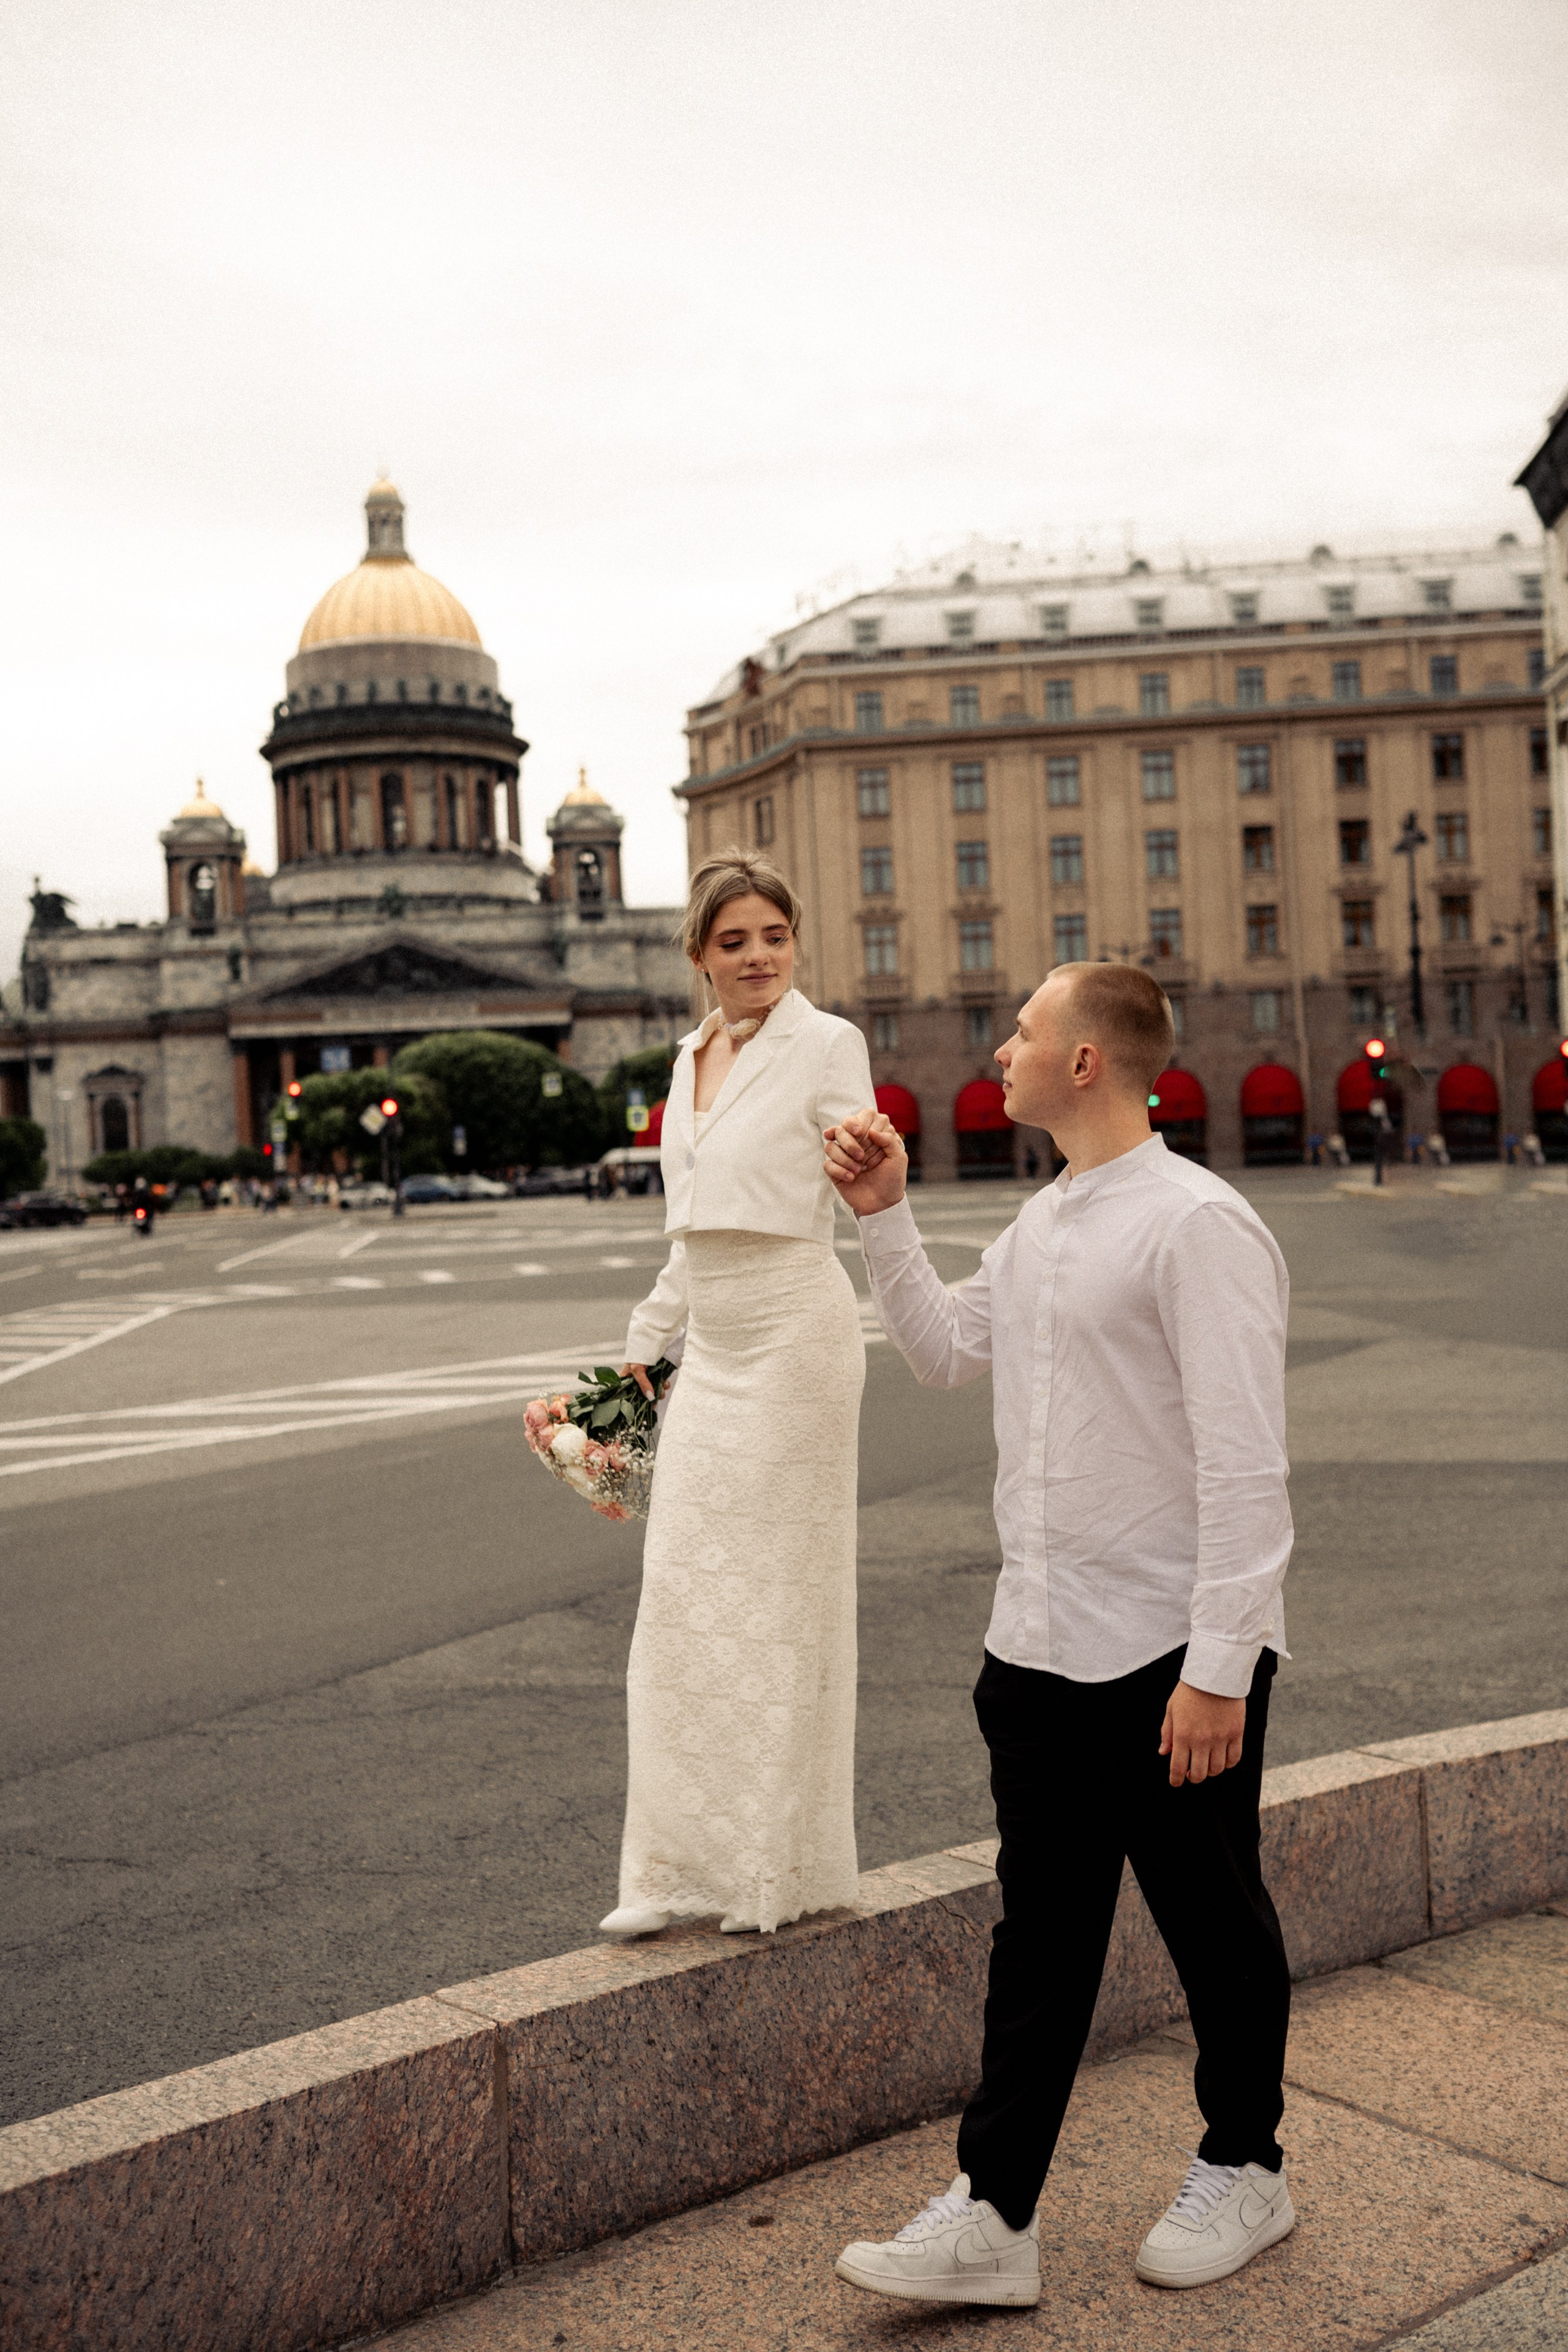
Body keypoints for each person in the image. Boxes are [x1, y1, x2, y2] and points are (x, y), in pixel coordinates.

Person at [823, 961, 1294, 2309]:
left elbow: (1244, 1463)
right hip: (1034, 1642)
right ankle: (994, 2212)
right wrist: (883, 1217)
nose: (1002, 1049)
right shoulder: (1042, 1222)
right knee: (1038, 1940)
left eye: (1023, 1032)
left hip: (1166, 1651)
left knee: (1211, 1922)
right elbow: (942, 1352)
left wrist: (1218, 1666)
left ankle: (1246, 2163)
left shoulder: (1196, 1225)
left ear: (1085, 1061)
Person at [601, 849, 874, 1940]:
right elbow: (689, 1231)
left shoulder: (829, 1042)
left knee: (774, 1610)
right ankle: (666, 1871)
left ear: (794, 940)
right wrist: (641, 1349)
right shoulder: (687, 1059)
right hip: (711, 1342)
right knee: (677, 1602)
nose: (758, 956)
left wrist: (869, 1157)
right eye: (734, 941)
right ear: (701, 957)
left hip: (798, 1332)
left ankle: (769, 1873)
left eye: (774, 935)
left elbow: (859, 1164)